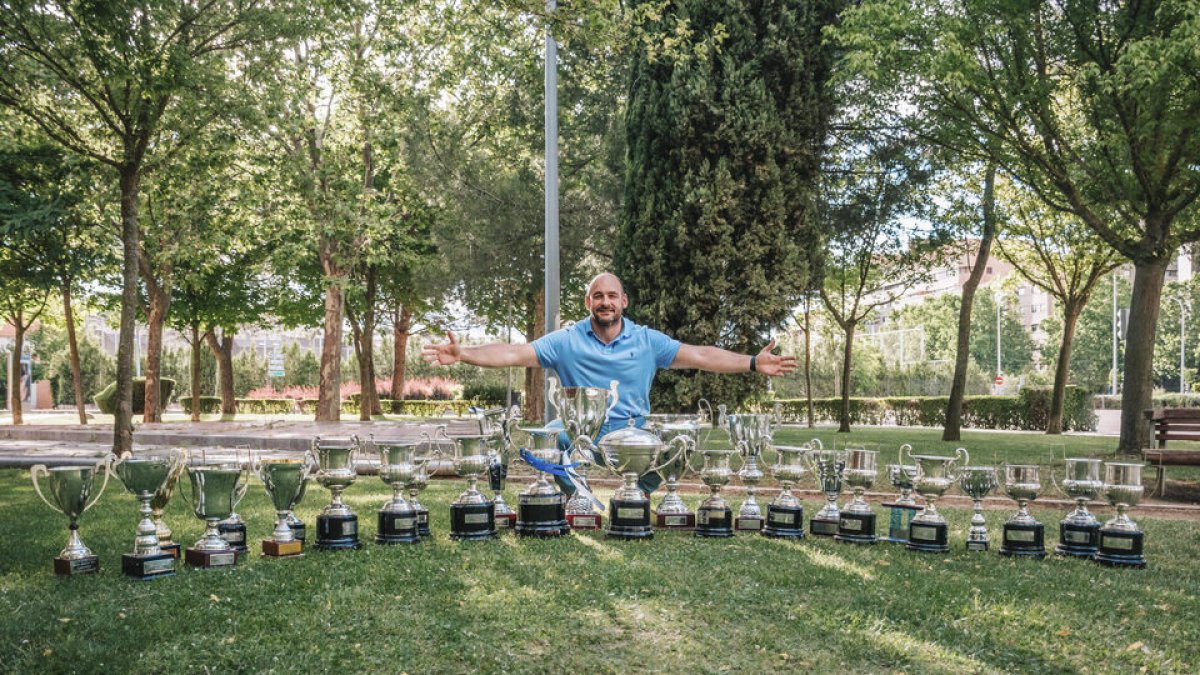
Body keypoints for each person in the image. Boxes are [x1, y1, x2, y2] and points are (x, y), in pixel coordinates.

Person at [422, 272, 795, 493]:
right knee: (551, 437)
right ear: (588, 302)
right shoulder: (566, 340)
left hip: (634, 436)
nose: (605, 302)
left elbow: (700, 356)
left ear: (624, 302)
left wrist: (751, 362)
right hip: (580, 434)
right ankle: (579, 499)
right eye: (598, 296)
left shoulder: (647, 341)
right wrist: (464, 353)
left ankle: (635, 498)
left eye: (612, 296)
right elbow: (513, 353)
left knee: (678, 443)